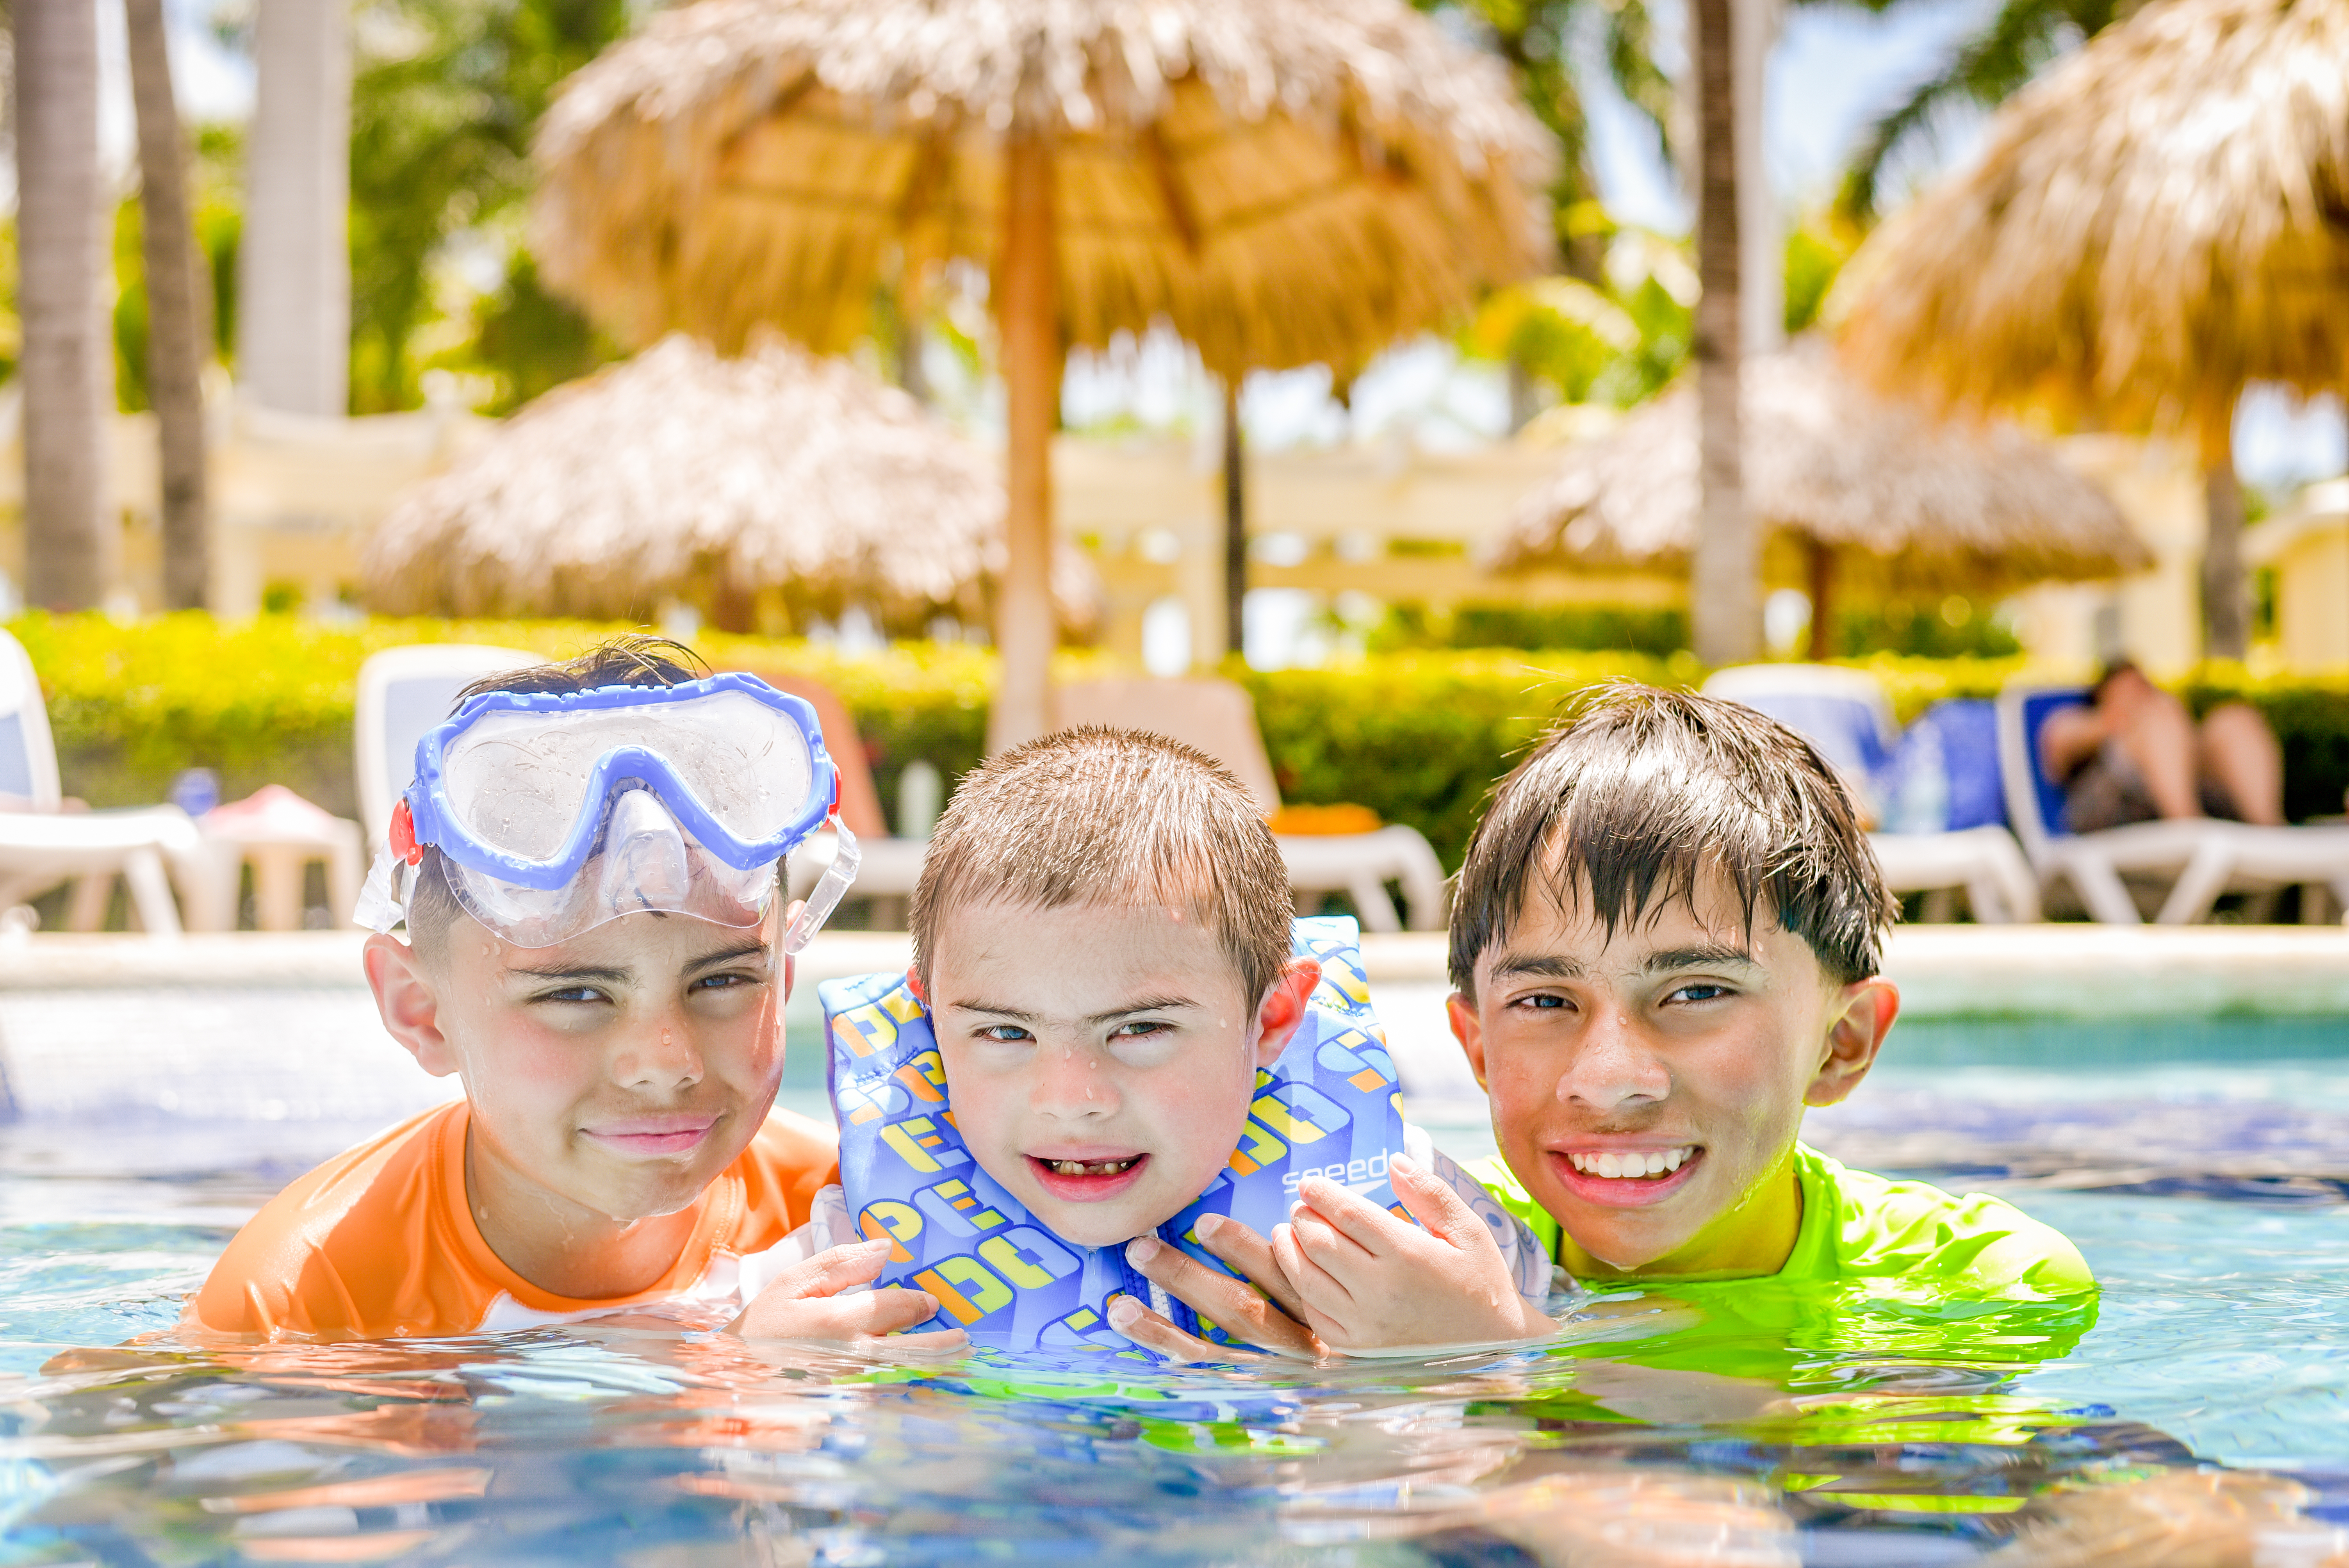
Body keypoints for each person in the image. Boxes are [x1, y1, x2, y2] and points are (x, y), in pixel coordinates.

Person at [1114, 684, 2092, 1358]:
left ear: (1842, 1043)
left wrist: (1495, 1363)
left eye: (1695, 992)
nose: (1609, 1076)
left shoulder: (1976, 1286)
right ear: (1476, 1048)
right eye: (1544, 1002)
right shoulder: (1400, 1253)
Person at [189, 638, 960, 1348]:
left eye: (722, 979)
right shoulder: (300, 1301)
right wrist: (731, 1378)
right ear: (421, 1012)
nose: (665, 1061)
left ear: (783, 977)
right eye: (576, 995)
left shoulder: (858, 1211)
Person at [811, 726, 1557, 1353]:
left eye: (1140, 1028)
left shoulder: (1423, 1233)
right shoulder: (845, 1243)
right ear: (932, 1018)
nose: (1072, 1102)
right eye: (1006, 1031)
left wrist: (1484, 1351)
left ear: (1271, 1020)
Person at [2041, 659, 2285, 832]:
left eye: (2144, 684)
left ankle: (2269, 829)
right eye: (2129, 685)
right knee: (2160, 720)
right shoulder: (2077, 720)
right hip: (2113, 813)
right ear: (2103, 694)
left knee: (2235, 720)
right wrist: (2122, 718)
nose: (2142, 691)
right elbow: (2058, 745)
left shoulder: (2166, 717)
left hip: (2204, 801)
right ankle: (2187, 827)